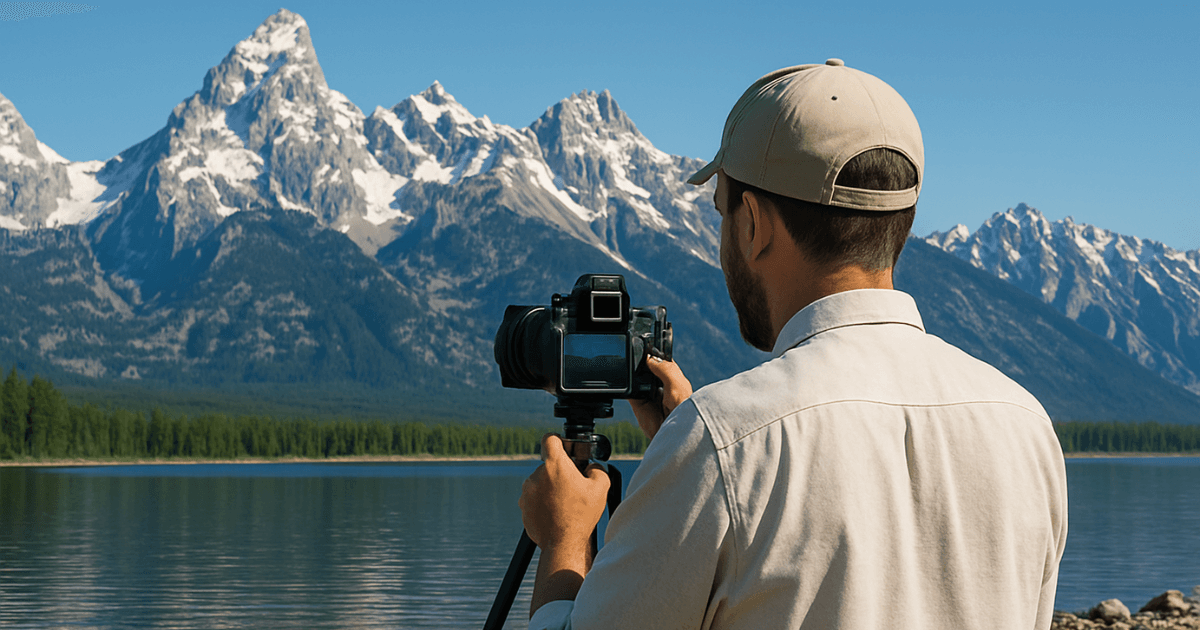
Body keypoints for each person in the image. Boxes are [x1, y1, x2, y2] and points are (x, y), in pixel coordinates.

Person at [519, 59, 1068, 630]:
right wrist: (689, 452)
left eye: (721, 211)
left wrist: (564, 541)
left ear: (753, 223)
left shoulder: (722, 438)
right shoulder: (1026, 426)